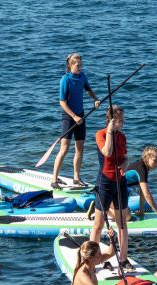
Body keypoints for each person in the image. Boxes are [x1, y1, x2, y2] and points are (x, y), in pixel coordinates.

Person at [51, 52, 101, 189]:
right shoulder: (65, 80)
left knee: (80, 148)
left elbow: (89, 90)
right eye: (78, 65)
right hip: (69, 117)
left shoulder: (82, 77)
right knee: (65, 148)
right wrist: (74, 117)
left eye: (81, 65)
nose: (80, 68)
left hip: (81, 115)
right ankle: (54, 179)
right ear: (71, 65)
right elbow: (62, 102)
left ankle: (76, 177)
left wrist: (95, 99)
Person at [90, 105, 130, 269]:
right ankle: (91, 258)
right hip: (105, 182)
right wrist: (109, 132)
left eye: (123, 120)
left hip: (120, 182)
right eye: (119, 121)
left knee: (122, 222)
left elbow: (126, 158)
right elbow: (107, 151)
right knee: (98, 224)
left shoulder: (122, 136)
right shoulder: (100, 134)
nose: (122, 123)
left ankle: (123, 259)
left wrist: (125, 166)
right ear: (111, 120)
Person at [125, 146, 157, 218]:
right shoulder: (141, 168)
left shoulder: (144, 167)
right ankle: (107, 209)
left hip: (123, 189)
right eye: (155, 161)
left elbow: (142, 191)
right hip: (113, 189)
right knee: (127, 216)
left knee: (127, 213)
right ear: (147, 158)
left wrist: (141, 210)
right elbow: (146, 194)